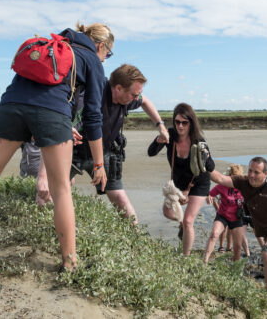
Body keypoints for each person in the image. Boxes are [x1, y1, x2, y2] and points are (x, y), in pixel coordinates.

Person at [0, 22, 114, 271]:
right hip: (51, 114)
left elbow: (31, 92)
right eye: (108, 54)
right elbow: (93, 117)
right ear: (101, 46)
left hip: (9, 106)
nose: (105, 59)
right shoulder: (91, 59)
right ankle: (70, 262)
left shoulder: (51, 45)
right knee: (61, 189)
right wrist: (98, 164)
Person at [56, 64, 169, 226]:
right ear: (118, 88)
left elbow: (145, 101)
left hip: (106, 152)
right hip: (75, 153)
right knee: (56, 192)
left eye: (138, 93)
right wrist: (69, 128)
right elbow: (71, 115)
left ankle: (135, 237)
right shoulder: (93, 95)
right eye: (133, 94)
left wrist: (161, 126)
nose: (136, 98)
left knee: (119, 197)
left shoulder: (128, 99)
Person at [210, 157, 267, 298]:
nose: (251, 175)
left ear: (265, 174)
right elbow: (220, 178)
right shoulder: (244, 182)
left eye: (256, 172)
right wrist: (205, 163)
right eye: (250, 170)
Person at [148, 103, 215, 256]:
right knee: (167, 212)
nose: (180, 126)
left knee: (189, 221)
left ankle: (186, 257)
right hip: (178, 183)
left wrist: (206, 155)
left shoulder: (198, 140)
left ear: (191, 123)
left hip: (198, 183)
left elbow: (210, 167)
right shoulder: (170, 135)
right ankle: (182, 224)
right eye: (177, 122)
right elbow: (151, 152)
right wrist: (159, 139)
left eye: (184, 122)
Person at [204, 164, 250, 264]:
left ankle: (236, 266)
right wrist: (209, 197)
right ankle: (205, 261)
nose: (234, 180)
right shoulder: (222, 185)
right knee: (214, 234)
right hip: (223, 215)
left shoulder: (244, 187)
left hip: (237, 218)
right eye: (232, 177)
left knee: (237, 245)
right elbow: (210, 194)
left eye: (237, 177)